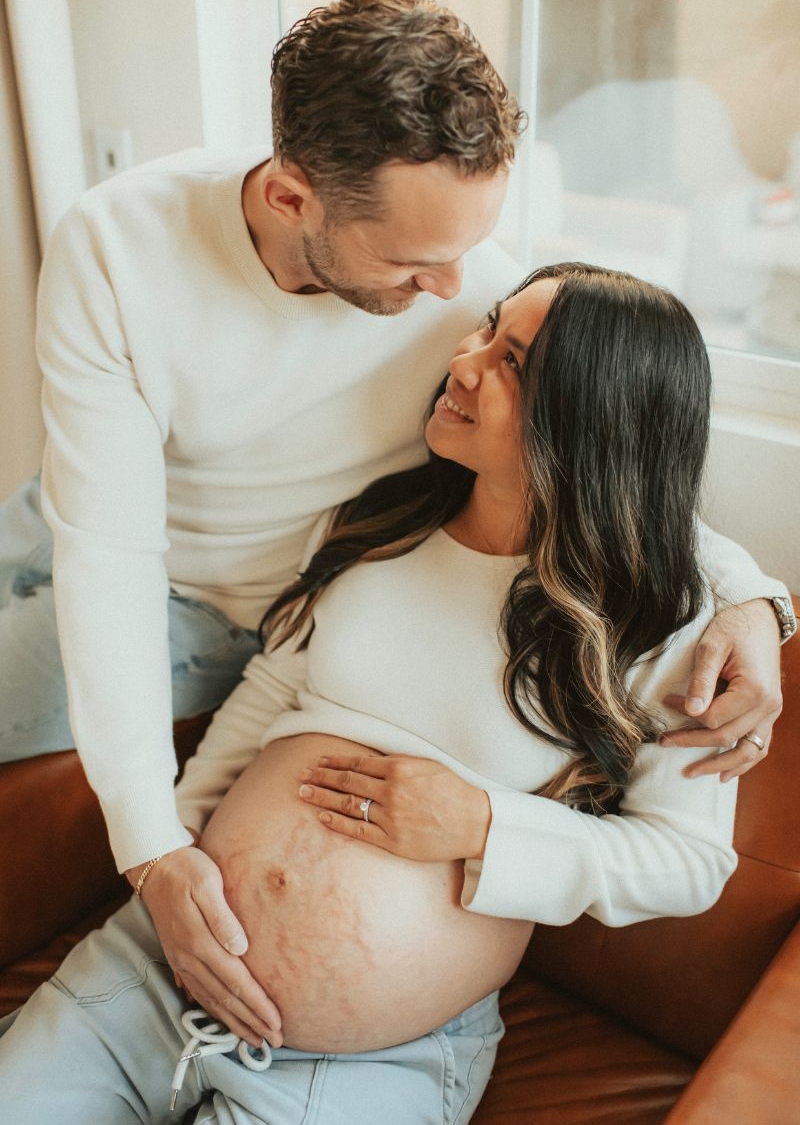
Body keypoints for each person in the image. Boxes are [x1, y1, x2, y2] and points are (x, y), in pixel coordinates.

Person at [0, 0, 792, 1048]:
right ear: (290, 196)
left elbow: (608, 466)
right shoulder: (117, 245)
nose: (453, 291)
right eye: (414, 262)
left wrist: (750, 601)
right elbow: (109, 554)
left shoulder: (469, 292)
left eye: (472, 254)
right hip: (115, 559)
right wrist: (153, 849)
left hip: (267, 603)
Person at [0, 263, 767, 1122]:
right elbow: (271, 690)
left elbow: (691, 864)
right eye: (486, 327)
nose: (465, 362)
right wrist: (175, 865)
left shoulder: (661, 629)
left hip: (377, 1059)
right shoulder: (380, 522)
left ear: (591, 421)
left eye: (512, 361)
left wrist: (484, 823)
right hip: (160, 963)